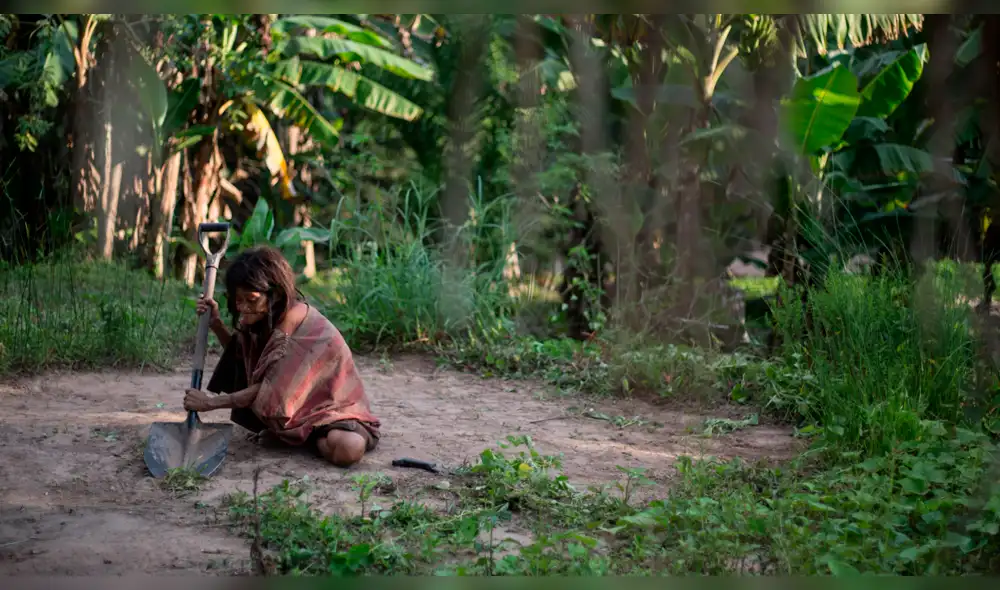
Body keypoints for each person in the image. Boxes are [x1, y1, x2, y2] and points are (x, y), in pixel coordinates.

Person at [181, 246, 380, 468]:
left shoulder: (295, 327)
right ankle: (301, 435)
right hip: (299, 413)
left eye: (251, 299)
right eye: (238, 300)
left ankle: (304, 439)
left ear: (273, 294)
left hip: (332, 411)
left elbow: (269, 387)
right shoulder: (263, 318)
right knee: (337, 445)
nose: (243, 307)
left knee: (348, 448)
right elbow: (244, 362)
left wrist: (210, 403)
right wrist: (216, 324)